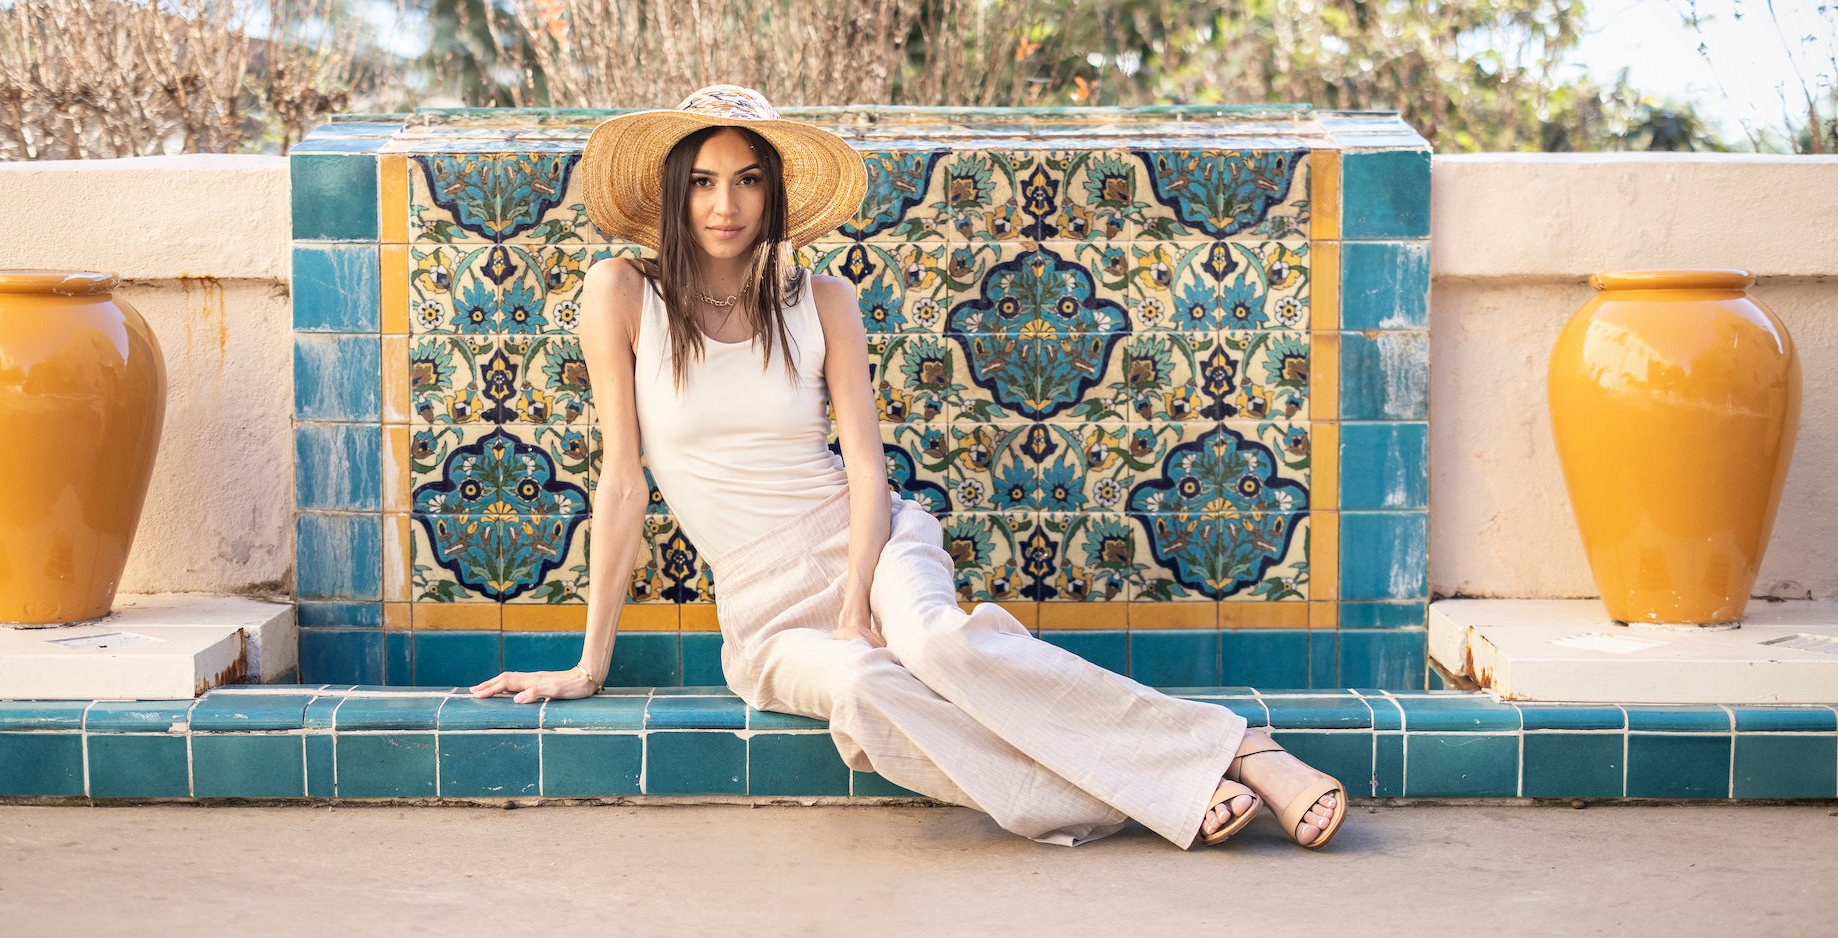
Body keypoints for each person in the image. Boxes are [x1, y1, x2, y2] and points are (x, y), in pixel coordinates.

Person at [472, 84, 1346, 849]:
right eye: (702, 181)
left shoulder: (820, 299)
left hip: (871, 545)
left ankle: (1239, 749)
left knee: (930, 641)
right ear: (674, 190)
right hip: (763, 610)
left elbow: (863, 463)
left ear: (773, 193)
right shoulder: (621, 292)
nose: (724, 204)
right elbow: (622, 481)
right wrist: (589, 667)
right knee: (861, 684)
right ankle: (1165, 785)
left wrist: (858, 596)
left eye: (747, 180)